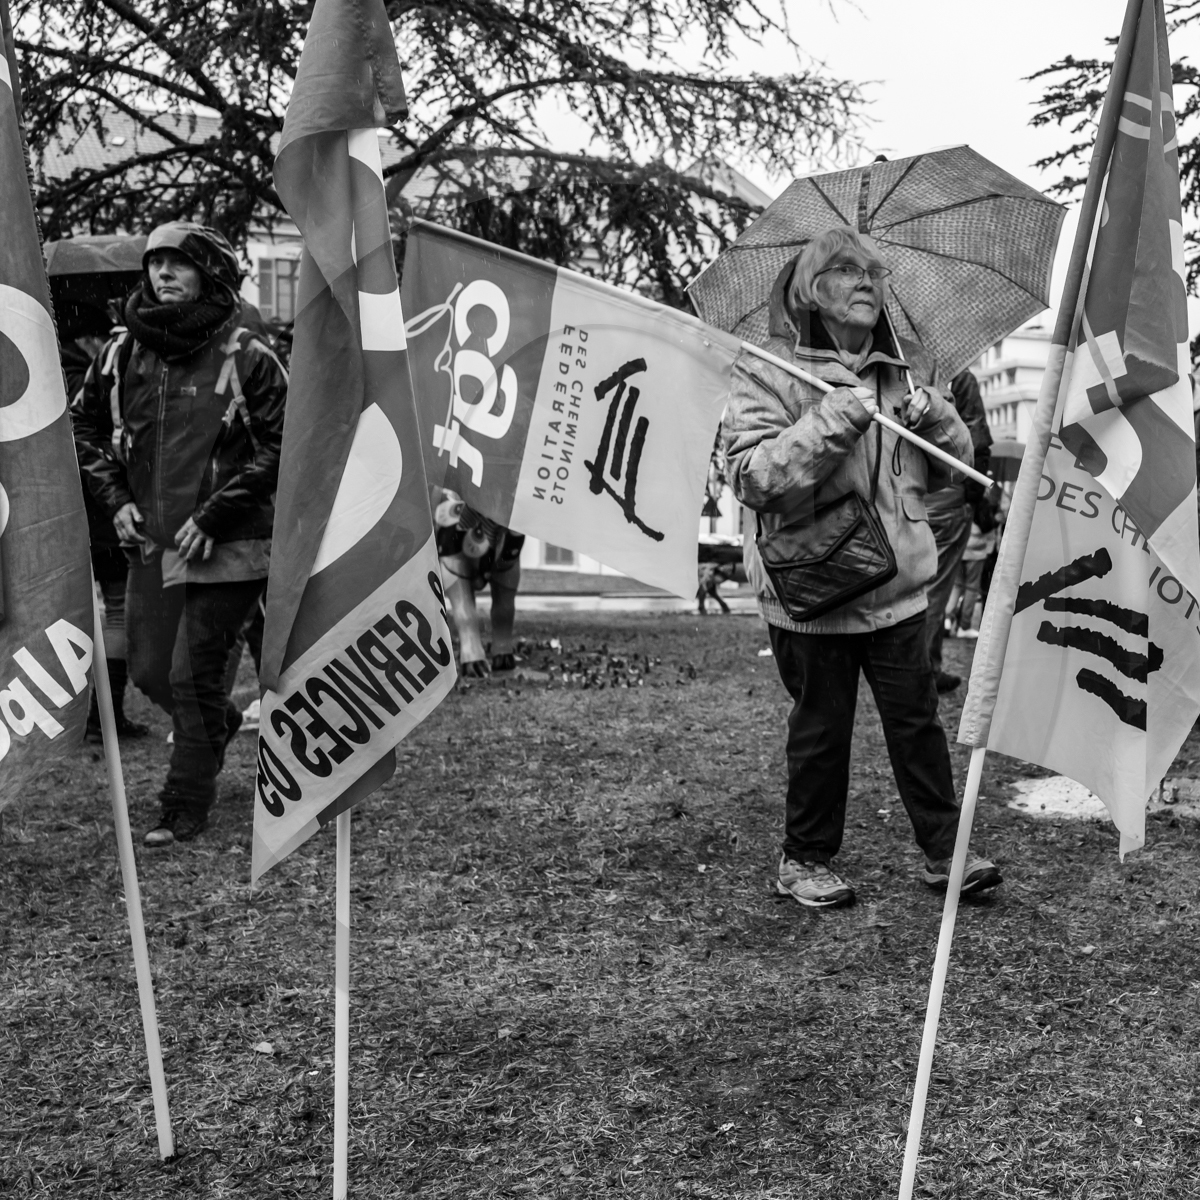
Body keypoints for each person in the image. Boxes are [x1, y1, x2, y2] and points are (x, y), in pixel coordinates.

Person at [722, 225, 1002, 909]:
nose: (868, 286)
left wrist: (937, 419)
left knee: (917, 724)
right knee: (821, 732)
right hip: (815, 591)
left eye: (875, 275)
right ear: (813, 288)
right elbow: (752, 476)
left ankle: (947, 852)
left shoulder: (906, 370)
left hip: (900, 585)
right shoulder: (769, 369)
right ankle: (804, 859)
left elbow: (954, 470)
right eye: (848, 272)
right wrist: (834, 417)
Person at [71, 222, 288, 846]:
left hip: (234, 545)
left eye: (179, 264)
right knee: (150, 676)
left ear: (211, 274)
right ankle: (217, 722)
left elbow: (283, 444)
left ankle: (182, 805)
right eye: (156, 263)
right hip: (150, 543)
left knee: (193, 674)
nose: (163, 273)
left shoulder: (249, 353)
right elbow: (81, 429)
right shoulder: (118, 353)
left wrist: (213, 515)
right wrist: (114, 501)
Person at [60, 308, 149, 740]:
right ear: (87, 340)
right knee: (117, 607)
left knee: (105, 608)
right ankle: (103, 716)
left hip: (80, 507)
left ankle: (101, 715)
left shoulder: (50, 364)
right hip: (101, 506)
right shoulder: (86, 377)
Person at [922, 369, 993, 693]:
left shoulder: (900, 366)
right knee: (935, 590)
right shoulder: (958, 376)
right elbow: (977, 443)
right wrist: (973, 499)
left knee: (915, 586)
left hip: (909, 494)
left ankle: (929, 666)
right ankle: (919, 672)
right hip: (950, 497)